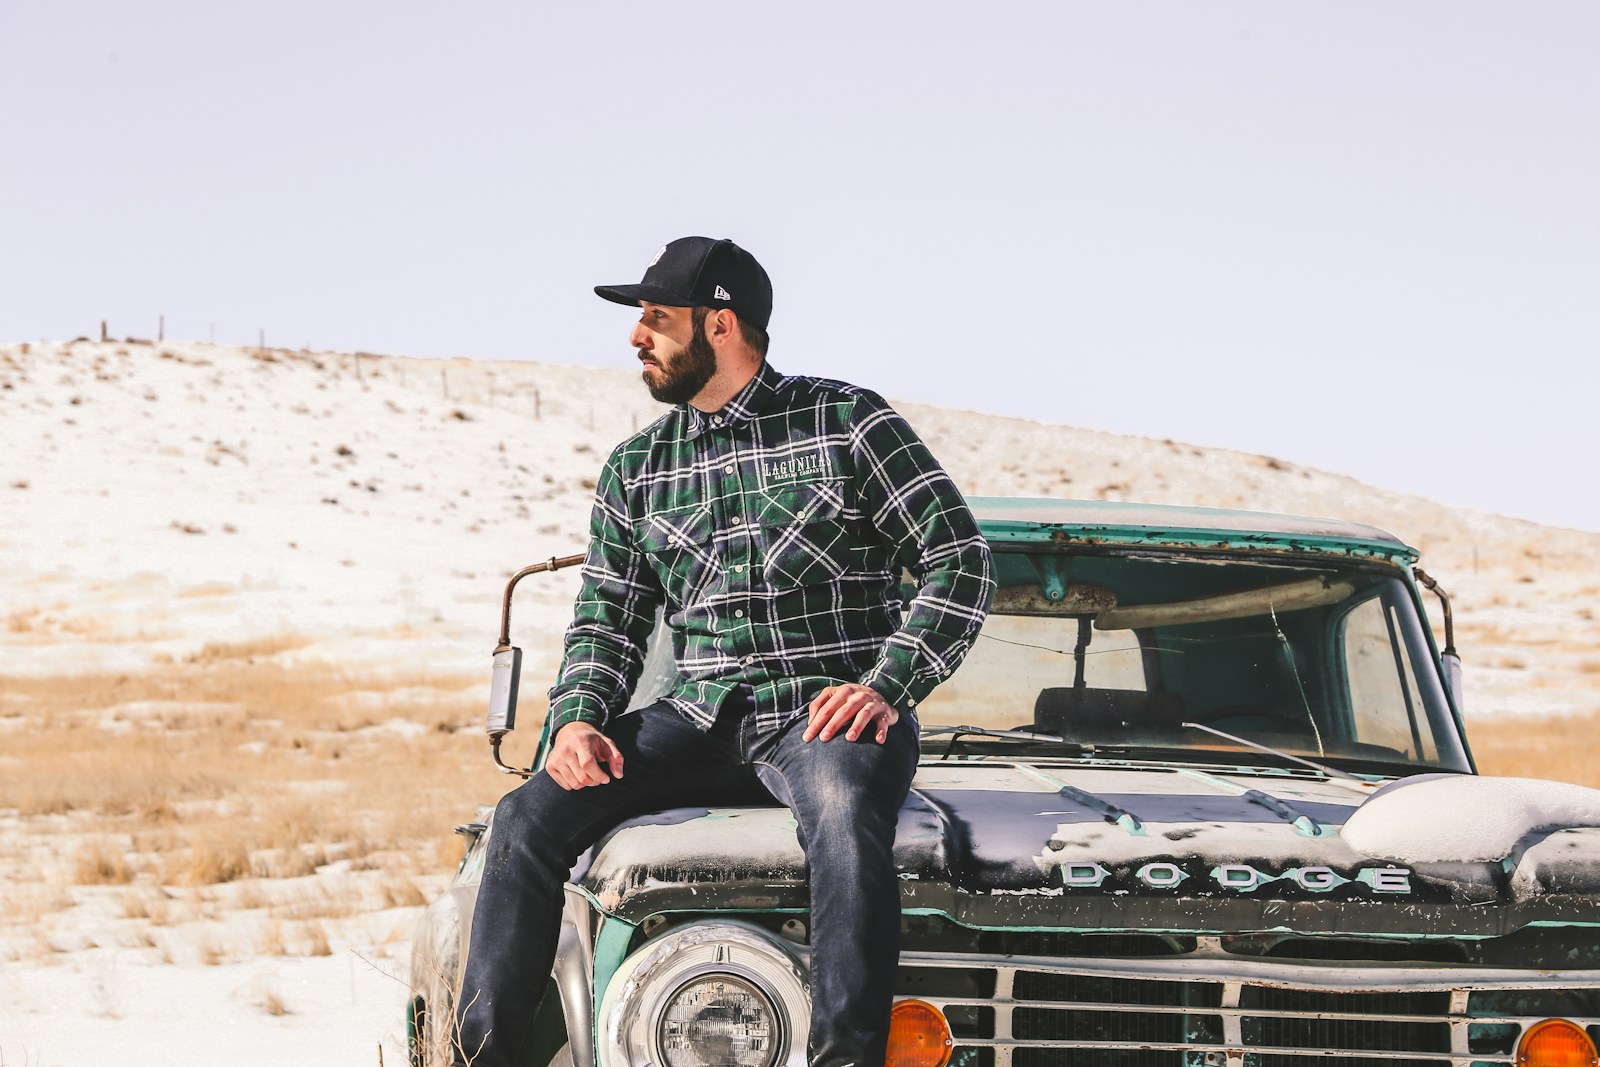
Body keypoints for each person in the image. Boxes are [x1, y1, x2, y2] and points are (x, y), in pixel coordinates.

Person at [455, 236, 994, 1067]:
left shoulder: (848, 421)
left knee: (848, 821)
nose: (638, 337)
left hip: (824, 715)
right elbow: (608, 617)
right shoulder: (638, 468)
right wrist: (576, 720)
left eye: (656, 319)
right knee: (524, 817)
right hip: (698, 716)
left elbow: (960, 558)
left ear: (720, 324)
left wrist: (889, 682)